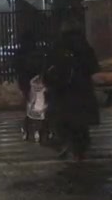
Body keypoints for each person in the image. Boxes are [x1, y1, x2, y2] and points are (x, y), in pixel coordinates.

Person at [43, 26, 100, 161]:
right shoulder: (85, 47)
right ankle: (80, 150)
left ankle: (68, 144)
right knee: (80, 123)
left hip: (63, 90)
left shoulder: (59, 46)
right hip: (82, 90)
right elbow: (93, 67)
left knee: (64, 120)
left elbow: (49, 67)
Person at [14, 32, 49, 142]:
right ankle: (40, 129)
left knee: (31, 104)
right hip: (37, 82)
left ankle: (28, 128)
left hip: (26, 82)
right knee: (40, 105)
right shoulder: (38, 53)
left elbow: (18, 68)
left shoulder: (20, 54)